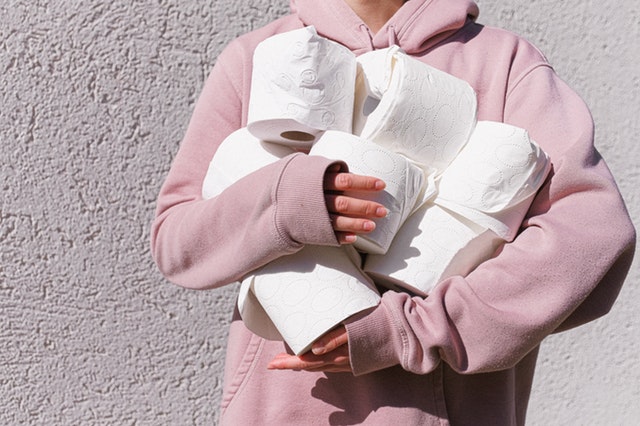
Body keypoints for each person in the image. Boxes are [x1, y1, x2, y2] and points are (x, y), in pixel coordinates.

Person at [151, 0, 636, 424]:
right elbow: (177, 240)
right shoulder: (258, 59)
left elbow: (590, 233)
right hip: (279, 410)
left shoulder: (505, 63)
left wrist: (413, 330)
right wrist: (290, 201)